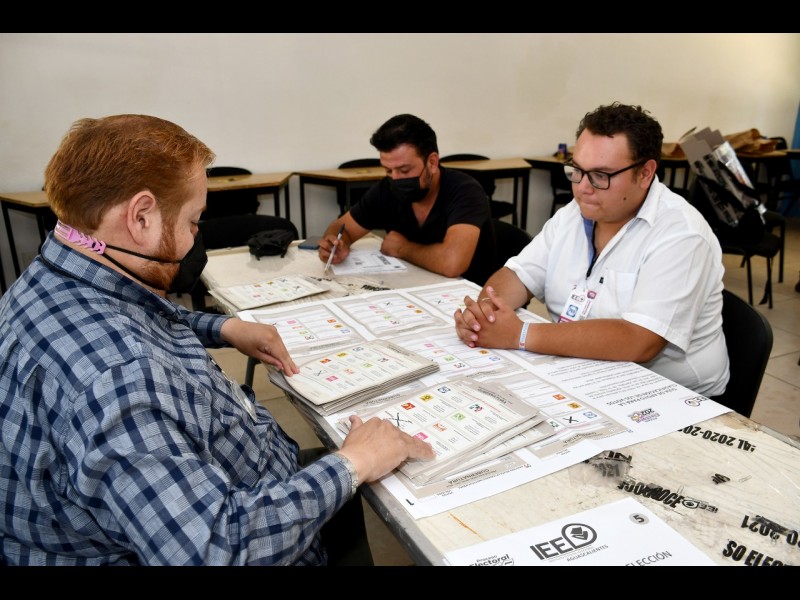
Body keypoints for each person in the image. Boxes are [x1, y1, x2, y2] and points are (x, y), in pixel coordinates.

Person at [0, 114, 434, 566]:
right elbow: (212, 551)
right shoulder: (118, 378)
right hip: (242, 533)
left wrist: (222, 328)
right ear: (141, 217)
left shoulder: (58, 273)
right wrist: (354, 463)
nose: (195, 238)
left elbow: (135, 317)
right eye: (193, 221)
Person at [454, 102, 729, 397]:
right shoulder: (575, 213)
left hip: (673, 394)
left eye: (601, 175)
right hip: (584, 372)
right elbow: (517, 275)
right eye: (577, 170)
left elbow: (640, 341)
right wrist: (486, 317)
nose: (583, 187)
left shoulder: (682, 234)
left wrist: (520, 334)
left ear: (645, 173)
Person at [318, 113, 497, 285]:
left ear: (432, 163)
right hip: (413, 288)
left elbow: (452, 263)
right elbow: (342, 227)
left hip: (471, 294)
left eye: (404, 170)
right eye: (388, 170)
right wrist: (335, 245)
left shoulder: (465, 191)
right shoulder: (386, 189)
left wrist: (402, 248)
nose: (395, 179)